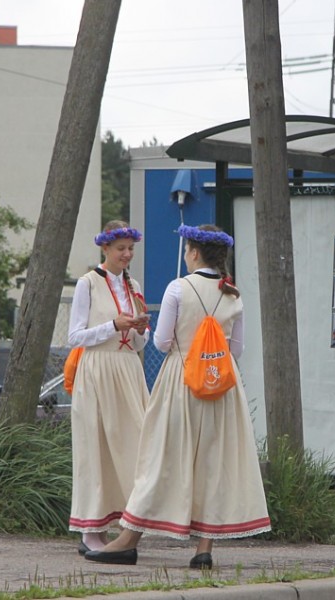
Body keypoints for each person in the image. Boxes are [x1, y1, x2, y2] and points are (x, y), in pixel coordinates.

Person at [86, 224, 271, 568]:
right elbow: (238, 349)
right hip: (221, 387)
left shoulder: (178, 289)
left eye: (187, 249)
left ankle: (129, 539)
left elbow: (161, 343)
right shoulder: (232, 292)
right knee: (213, 463)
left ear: (194, 252)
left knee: (160, 458)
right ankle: (204, 549)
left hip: (181, 380)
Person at [68, 221, 151, 553]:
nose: (127, 255)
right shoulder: (87, 284)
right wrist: (111, 326)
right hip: (98, 369)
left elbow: (141, 342)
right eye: (121, 249)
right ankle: (91, 527)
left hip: (128, 369)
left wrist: (140, 328)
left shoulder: (133, 284)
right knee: (96, 446)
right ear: (105, 248)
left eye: (131, 249)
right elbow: (75, 337)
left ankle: (130, 521)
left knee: (137, 445)